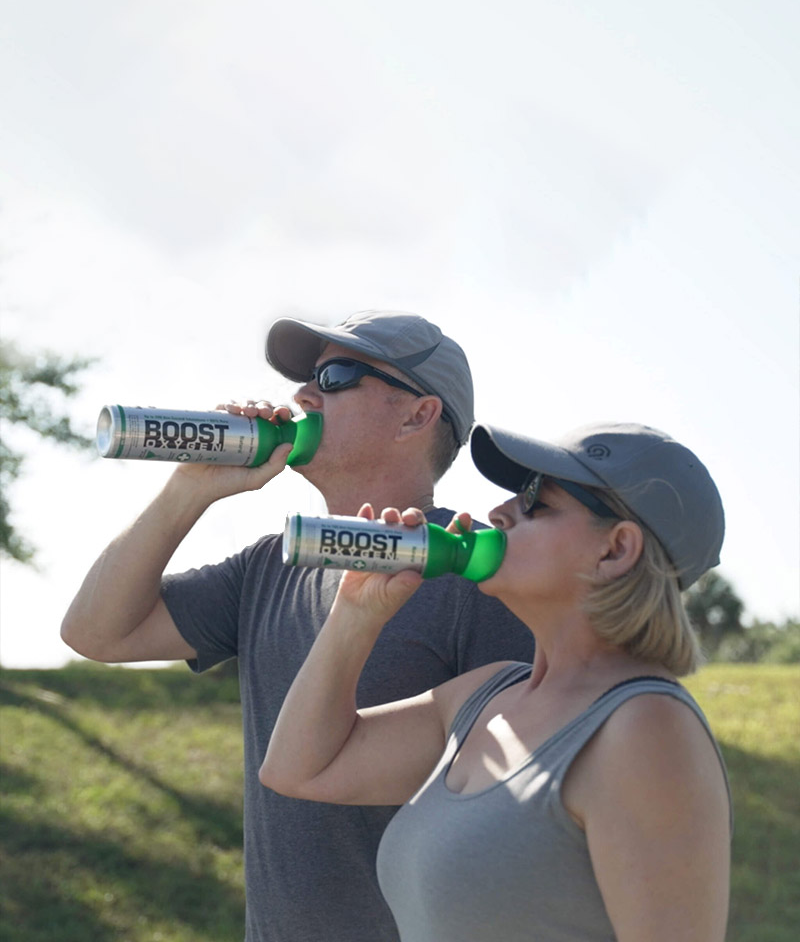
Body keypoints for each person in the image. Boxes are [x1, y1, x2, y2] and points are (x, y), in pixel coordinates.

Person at [61, 310, 533, 942]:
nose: (302, 397)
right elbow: (95, 633)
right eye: (307, 379)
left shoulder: (477, 577)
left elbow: (515, 808)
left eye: (336, 377)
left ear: (417, 416)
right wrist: (190, 489)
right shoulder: (269, 565)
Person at [260, 421, 733, 942]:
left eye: (537, 502)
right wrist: (357, 611)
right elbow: (299, 770)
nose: (498, 513)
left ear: (616, 550)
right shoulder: (482, 696)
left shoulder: (646, 728)